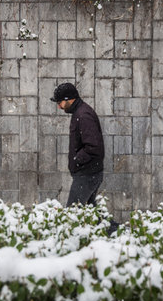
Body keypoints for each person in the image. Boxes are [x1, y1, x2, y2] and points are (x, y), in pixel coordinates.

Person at [51, 83, 119, 234]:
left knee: (72, 213)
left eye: (60, 102)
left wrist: (76, 160)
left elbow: (94, 147)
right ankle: (116, 233)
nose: (59, 107)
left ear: (69, 99)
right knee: (91, 212)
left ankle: (70, 243)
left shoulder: (83, 115)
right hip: (88, 173)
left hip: (87, 175)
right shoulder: (79, 113)